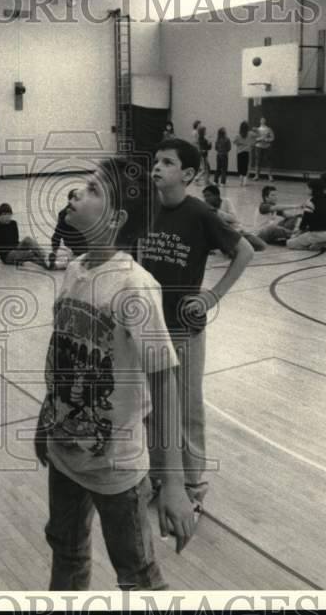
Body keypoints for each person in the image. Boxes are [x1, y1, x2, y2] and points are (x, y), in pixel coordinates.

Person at [35, 156, 195, 590]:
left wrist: (174, 485)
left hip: (117, 470)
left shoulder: (134, 285)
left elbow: (164, 381)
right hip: (65, 456)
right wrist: (45, 418)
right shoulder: (74, 270)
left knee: (138, 575)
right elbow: (63, 359)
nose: (76, 193)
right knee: (66, 551)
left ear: (116, 218)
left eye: (92, 190)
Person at [139, 137, 255, 510]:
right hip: (148, 324)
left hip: (183, 328)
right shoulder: (146, 210)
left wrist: (212, 296)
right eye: (156, 161)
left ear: (187, 173)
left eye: (168, 163)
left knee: (186, 408)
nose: (157, 167)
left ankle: (192, 485)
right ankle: (161, 477)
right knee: (154, 407)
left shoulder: (200, 214)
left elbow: (245, 250)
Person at [0, 203, 51, 268]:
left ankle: (46, 257)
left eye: (9, 214)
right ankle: (49, 265)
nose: (8, 217)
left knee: (28, 239)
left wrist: (24, 249)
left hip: (15, 249)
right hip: (7, 255)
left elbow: (15, 241)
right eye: (5, 214)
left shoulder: (13, 223)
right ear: (0, 215)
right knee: (30, 254)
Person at [201, 184, 266, 251]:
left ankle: (244, 246)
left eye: (208, 196)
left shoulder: (226, 201)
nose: (206, 199)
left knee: (261, 245)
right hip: (223, 236)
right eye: (205, 196)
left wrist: (216, 211)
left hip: (237, 232)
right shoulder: (205, 207)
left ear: (217, 196)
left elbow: (233, 218)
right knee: (234, 252)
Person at [286, 179, 326, 251]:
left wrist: (298, 232)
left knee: (289, 243)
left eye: (307, 188)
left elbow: (305, 220)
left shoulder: (310, 203)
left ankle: (312, 246)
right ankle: (318, 243)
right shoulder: (324, 201)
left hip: (316, 234)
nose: (306, 189)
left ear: (312, 189)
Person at [49, 190, 88, 270]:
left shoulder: (63, 213)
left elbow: (57, 235)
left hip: (73, 245)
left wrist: (54, 252)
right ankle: (70, 261)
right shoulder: (78, 212)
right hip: (81, 245)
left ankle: (65, 262)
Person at [251, 117, 274, 181]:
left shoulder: (269, 129)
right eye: (261, 120)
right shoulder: (257, 129)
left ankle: (270, 176)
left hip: (267, 147)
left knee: (268, 161)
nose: (263, 121)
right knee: (258, 161)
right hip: (258, 147)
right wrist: (259, 139)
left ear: (265, 121)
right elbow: (253, 139)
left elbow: (272, 138)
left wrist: (267, 140)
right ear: (260, 121)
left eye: (264, 120)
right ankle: (257, 175)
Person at [232, 121, 252, 185]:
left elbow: (234, 142)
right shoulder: (249, 134)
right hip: (246, 152)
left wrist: (240, 143)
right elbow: (257, 136)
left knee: (240, 166)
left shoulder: (238, 135)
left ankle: (241, 179)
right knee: (245, 166)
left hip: (239, 152)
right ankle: (244, 181)